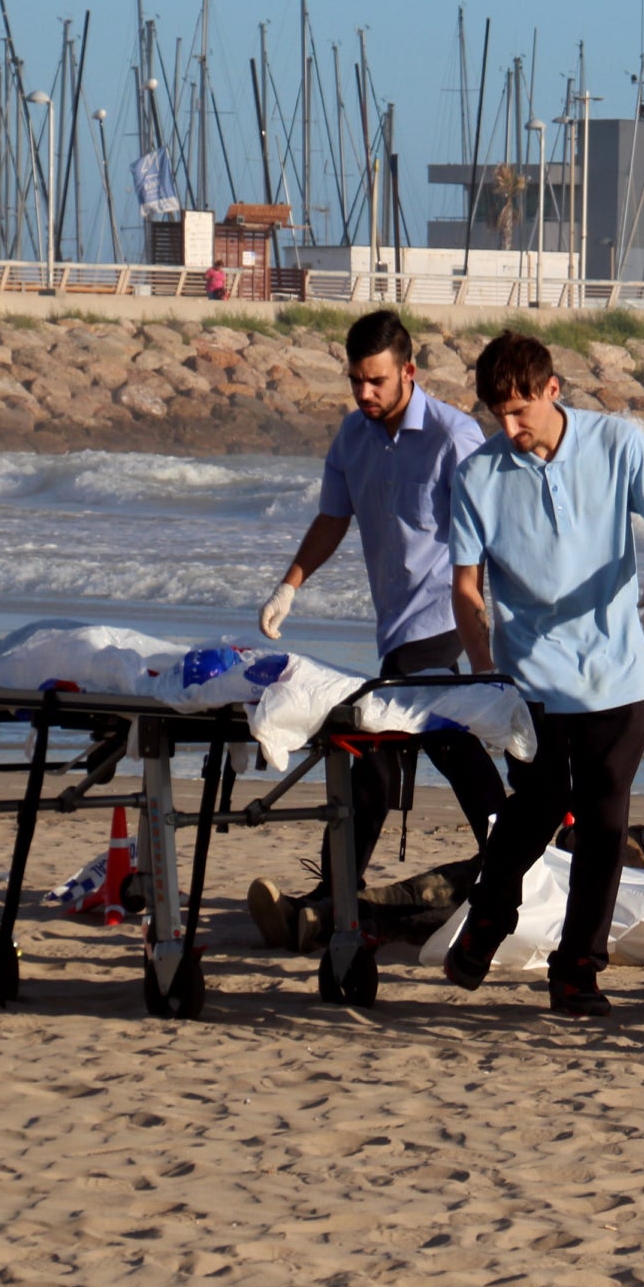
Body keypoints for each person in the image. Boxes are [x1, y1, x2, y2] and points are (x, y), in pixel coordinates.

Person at [440, 331, 644, 1014]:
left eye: (522, 409)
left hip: (618, 676)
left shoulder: (617, 443)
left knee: (606, 825)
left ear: (554, 390)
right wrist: (487, 675)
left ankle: (576, 969)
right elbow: (466, 589)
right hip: (533, 685)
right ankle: (490, 915)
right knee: (537, 808)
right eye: (500, 413)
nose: (511, 425)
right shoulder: (477, 477)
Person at [259, 309, 506, 903]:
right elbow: (332, 518)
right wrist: (289, 585)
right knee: (434, 741)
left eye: (377, 381)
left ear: (409, 373)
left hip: (447, 618)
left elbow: (494, 528)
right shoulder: (352, 437)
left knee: (379, 748)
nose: (365, 393)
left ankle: (338, 891)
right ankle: (511, 859)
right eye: (355, 381)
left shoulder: (454, 437)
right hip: (396, 629)